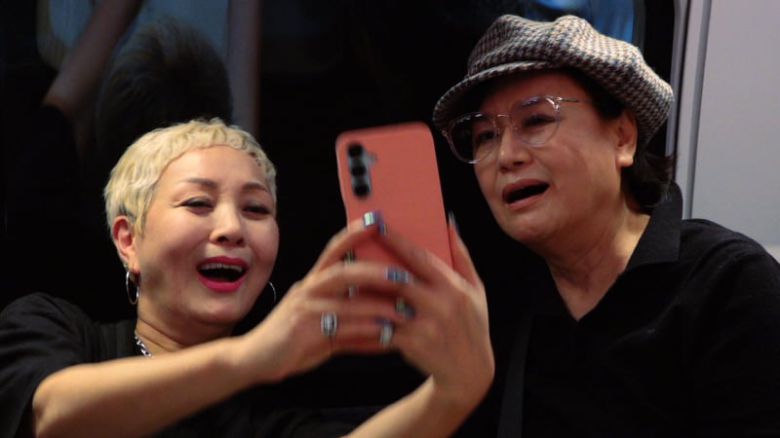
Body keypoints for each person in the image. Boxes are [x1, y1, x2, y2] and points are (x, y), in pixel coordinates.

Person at [0, 118, 493, 437]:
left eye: (256, 209)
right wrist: (252, 356)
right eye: (198, 203)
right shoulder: (52, 326)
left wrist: (454, 391)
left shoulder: (263, 414)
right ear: (129, 240)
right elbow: (53, 416)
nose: (233, 229)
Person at [432, 14, 780, 436]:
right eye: (485, 136)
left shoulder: (728, 285)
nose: (506, 156)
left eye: (536, 120)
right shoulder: (499, 305)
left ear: (622, 138)